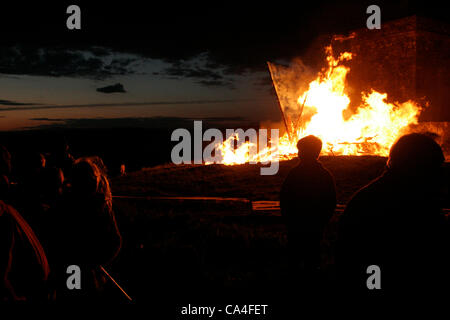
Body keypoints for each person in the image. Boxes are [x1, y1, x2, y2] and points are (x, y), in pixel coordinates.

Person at [335, 133, 449, 295]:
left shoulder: (418, 198)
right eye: (435, 166)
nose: (440, 174)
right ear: (416, 166)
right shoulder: (381, 203)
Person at [49, 156, 122, 300]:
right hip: (88, 275)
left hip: (71, 272)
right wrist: (94, 261)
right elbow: (115, 241)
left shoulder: (62, 204)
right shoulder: (100, 206)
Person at [280, 135, 337, 280]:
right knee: (311, 256)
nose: (299, 154)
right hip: (313, 225)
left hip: (299, 224)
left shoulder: (295, 174)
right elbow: (331, 201)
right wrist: (323, 220)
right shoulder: (325, 175)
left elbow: (285, 197)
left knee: (297, 258)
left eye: (301, 151)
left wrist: (288, 218)